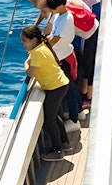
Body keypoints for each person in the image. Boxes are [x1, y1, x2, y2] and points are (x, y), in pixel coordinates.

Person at [18, 25, 73, 161]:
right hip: (60, 84)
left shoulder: (36, 53)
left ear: (33, 40)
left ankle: (58, 151)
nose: (23, 44)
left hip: (55, 88)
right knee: (54, 117)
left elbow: (31, 73)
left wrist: (26, 63)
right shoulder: (43, 47)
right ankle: (65, 143)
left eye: (24, 41)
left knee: (50, 120)